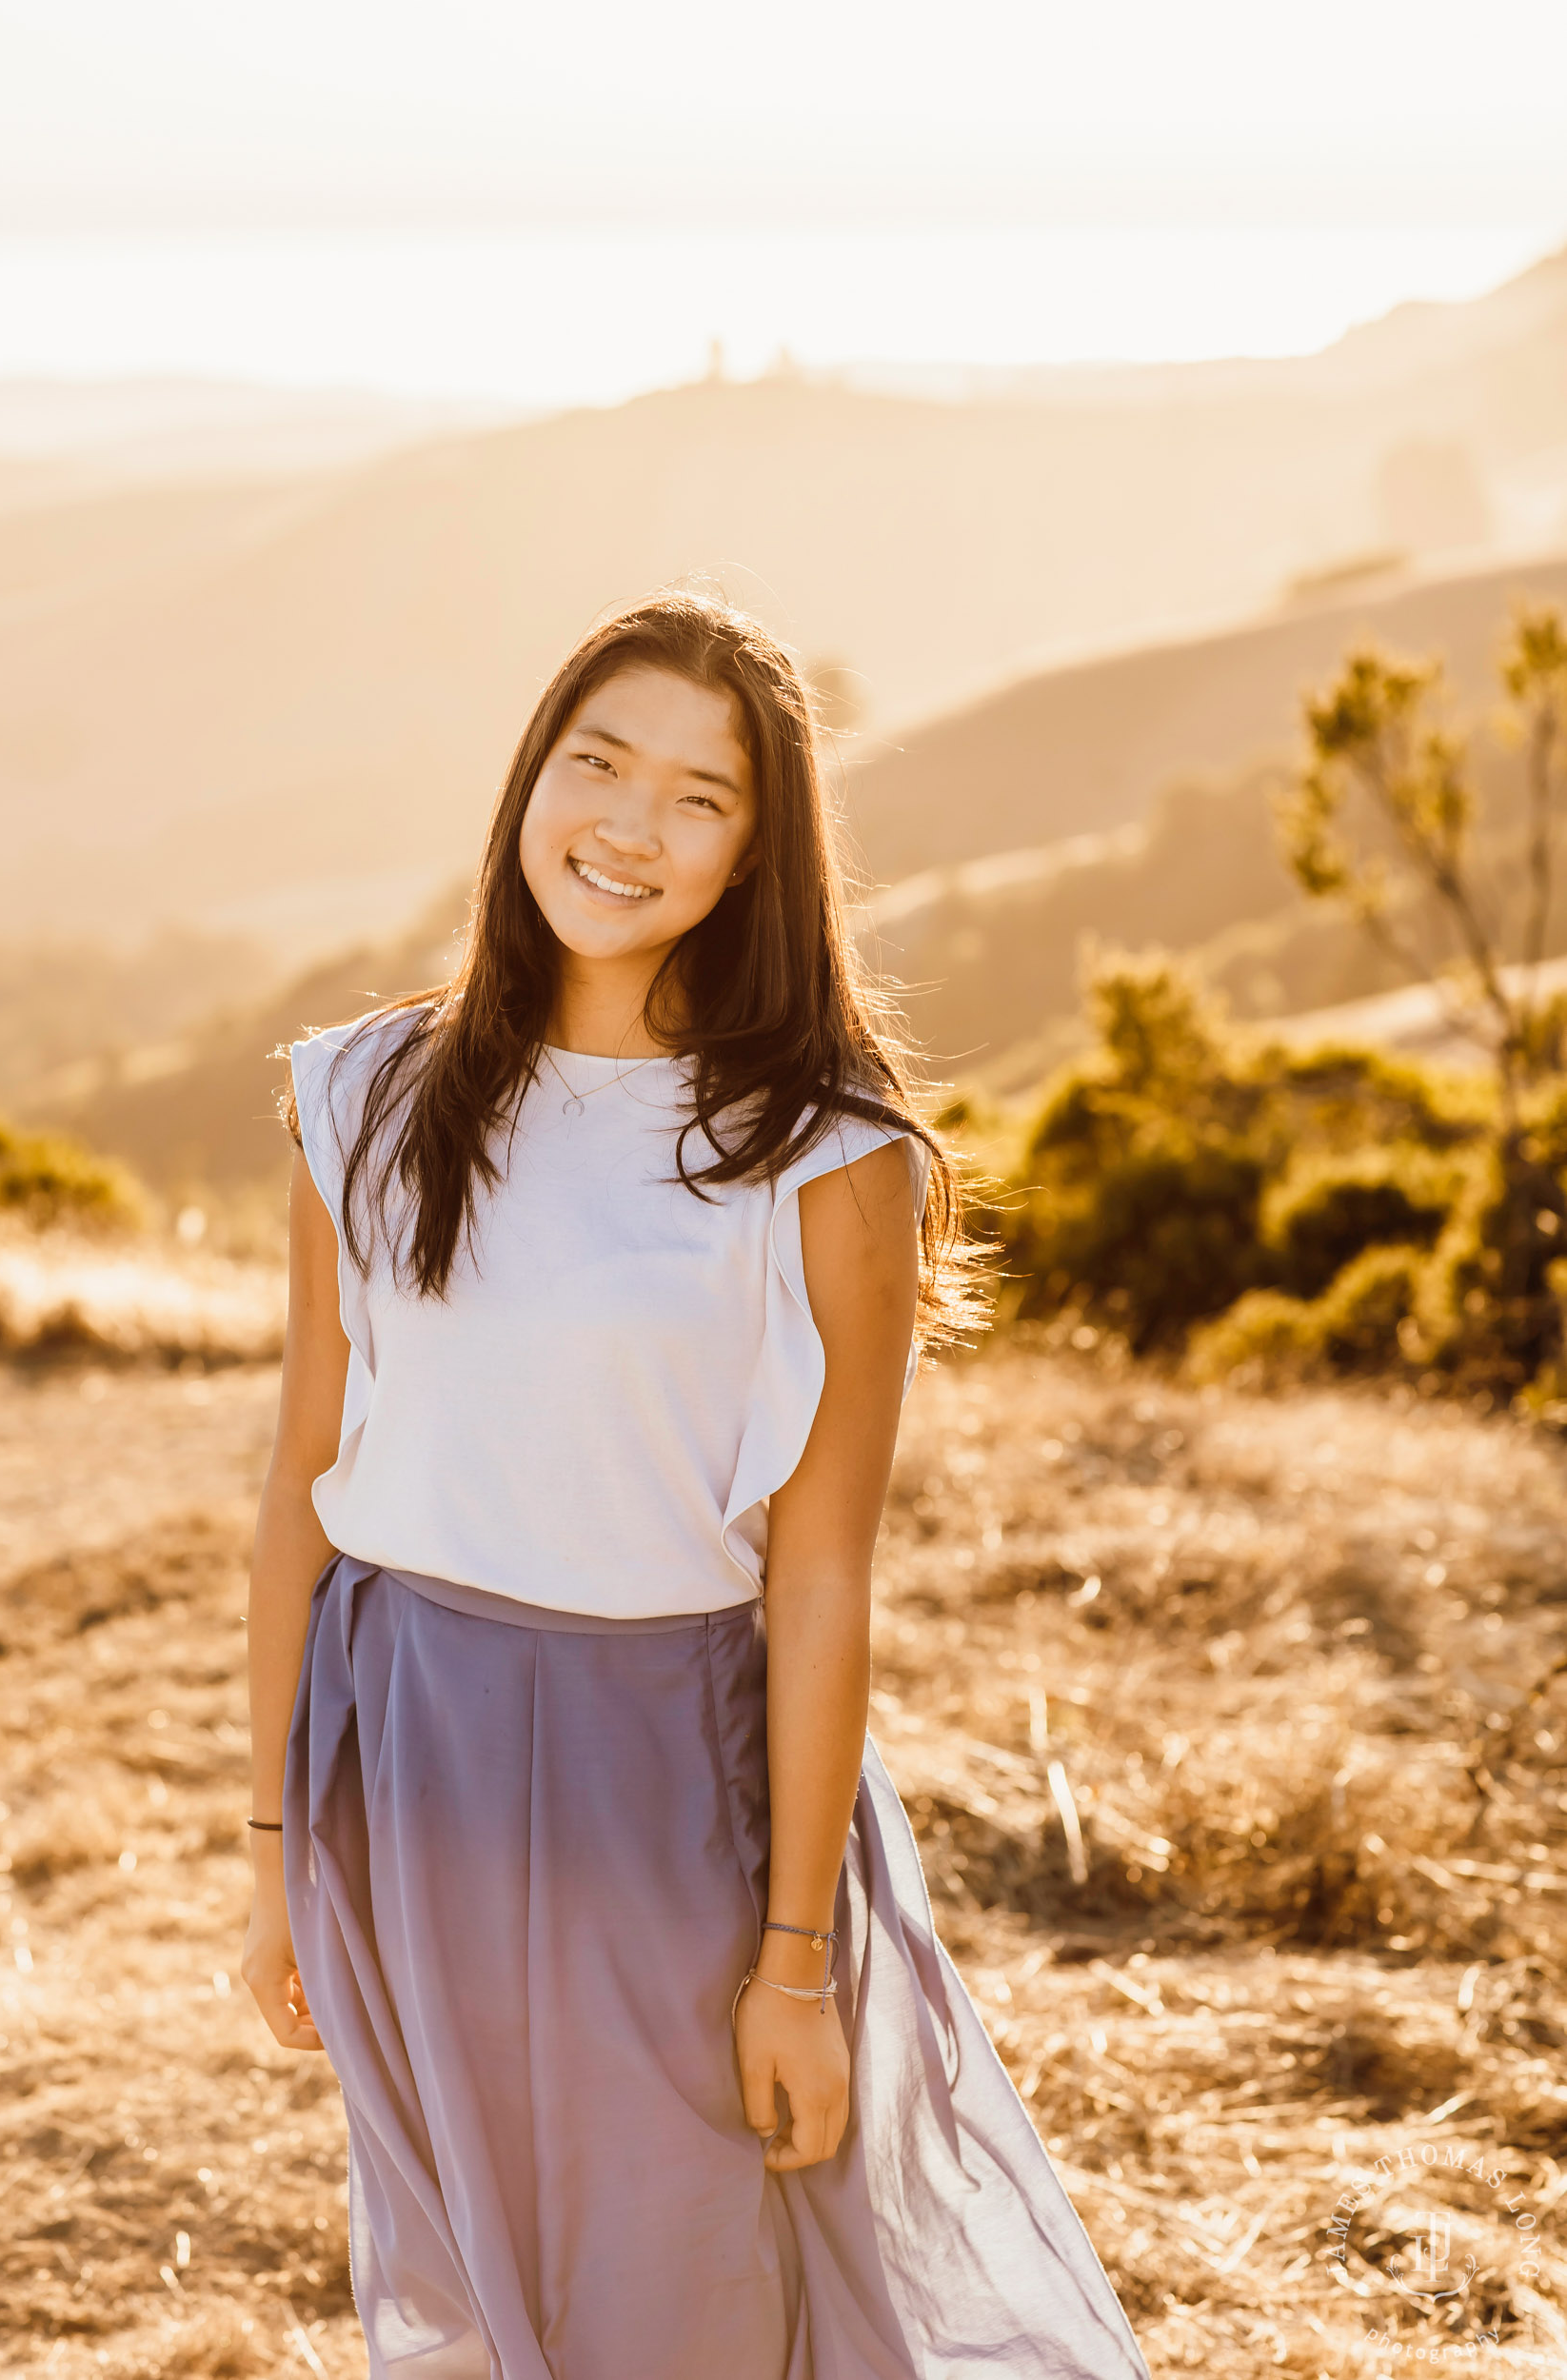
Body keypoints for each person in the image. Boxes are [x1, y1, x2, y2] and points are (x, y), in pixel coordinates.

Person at [243, 589, 1150, 2379]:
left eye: (699, 797)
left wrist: (796, 1962)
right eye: (597, 763)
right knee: (489, 2278)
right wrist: (273, 1847)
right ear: (531, 781)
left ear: (758, 854)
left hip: (662, 1768)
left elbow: (819, 1582)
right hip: (401, 1740)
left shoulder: (824, 1160)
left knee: (687, 2293)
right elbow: (302, 1483)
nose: (629, 827)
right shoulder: (360, 1093)